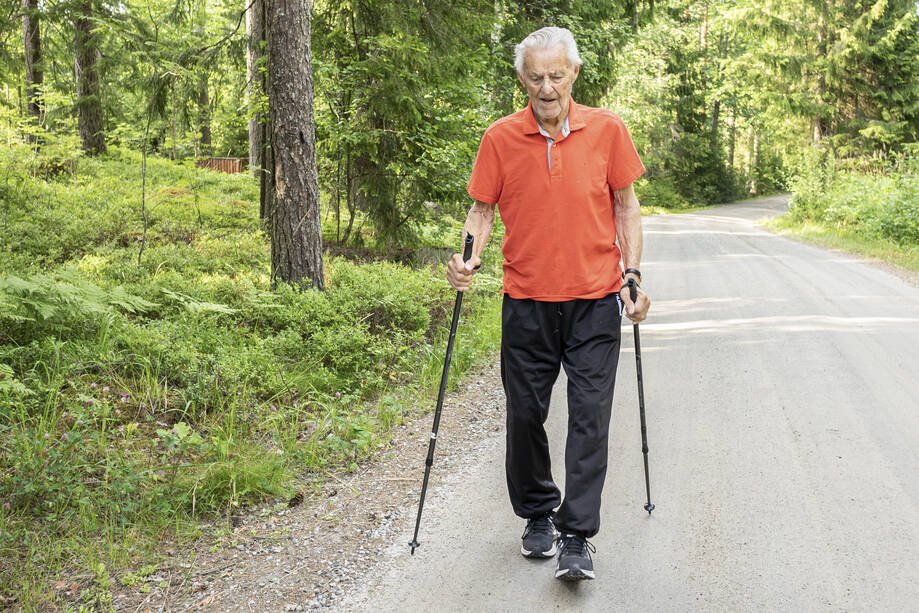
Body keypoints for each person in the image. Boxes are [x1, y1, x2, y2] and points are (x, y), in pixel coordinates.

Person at [446, 26, 651, 582]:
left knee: (590, 417)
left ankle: (577, 535)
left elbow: (627, 206)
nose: (547, 87)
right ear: (522, 78)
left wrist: (632, 275)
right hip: (527, 302)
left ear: (574, 74)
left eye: (556, 75)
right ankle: (538, 512)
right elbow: (482, 210)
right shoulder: (500, 137)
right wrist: (467, 260)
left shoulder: (608, 130)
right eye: (536, 77)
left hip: (594, 302)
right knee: (524, 415)